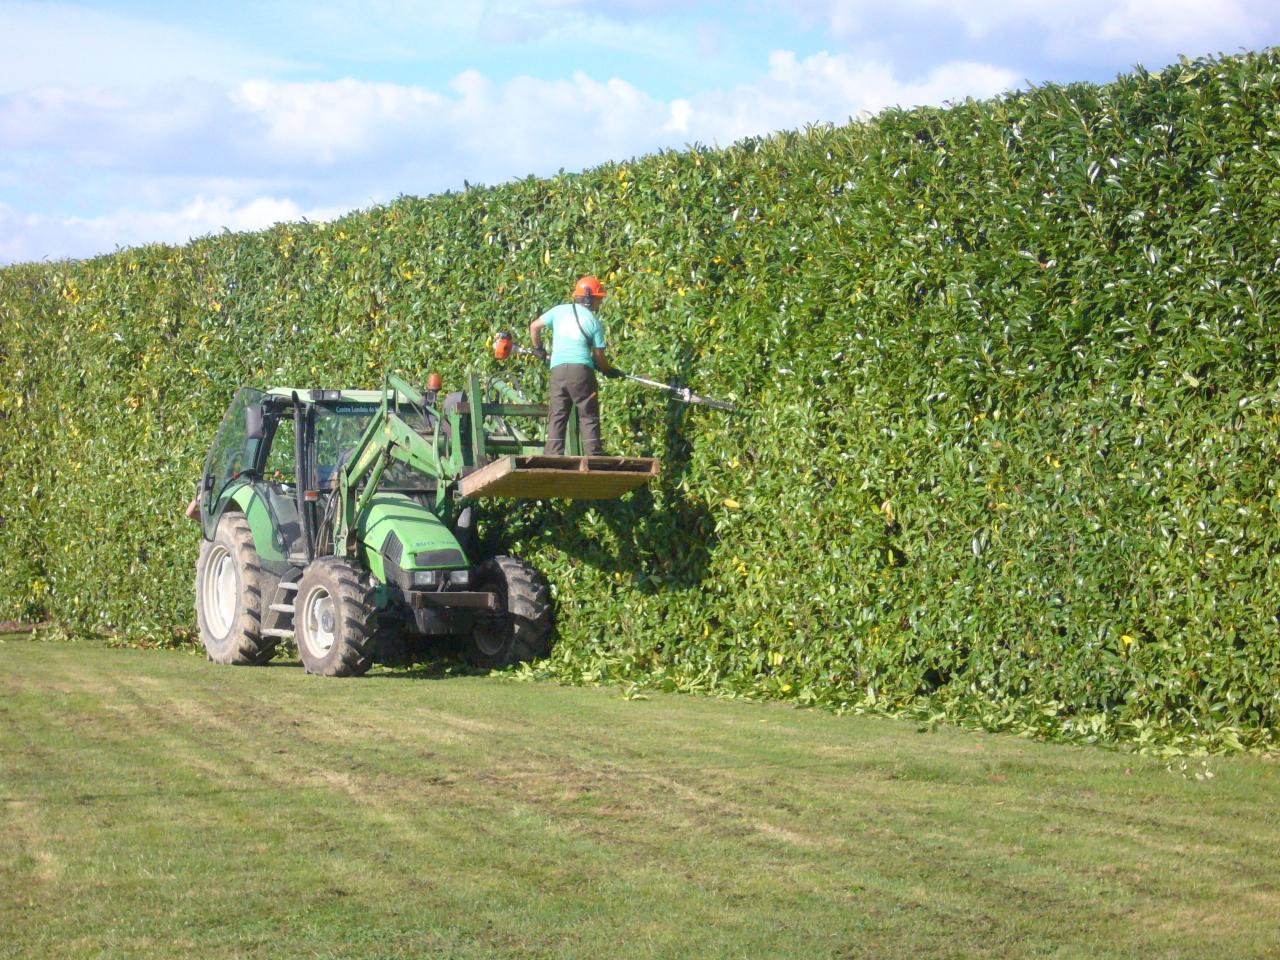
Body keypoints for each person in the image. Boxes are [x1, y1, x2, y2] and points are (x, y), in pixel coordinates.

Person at [529, 275, 624, 456]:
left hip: (557, 370)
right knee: (587, 413)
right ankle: (594, 454)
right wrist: (608, 370)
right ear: (589, 299)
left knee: (558, 413)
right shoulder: (593, 322)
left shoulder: (558, 311)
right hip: (581, 371)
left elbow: (534, 327)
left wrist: (538, 349)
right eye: (599, 299)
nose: (600, 303)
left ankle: (553, 454)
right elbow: (598, 356)